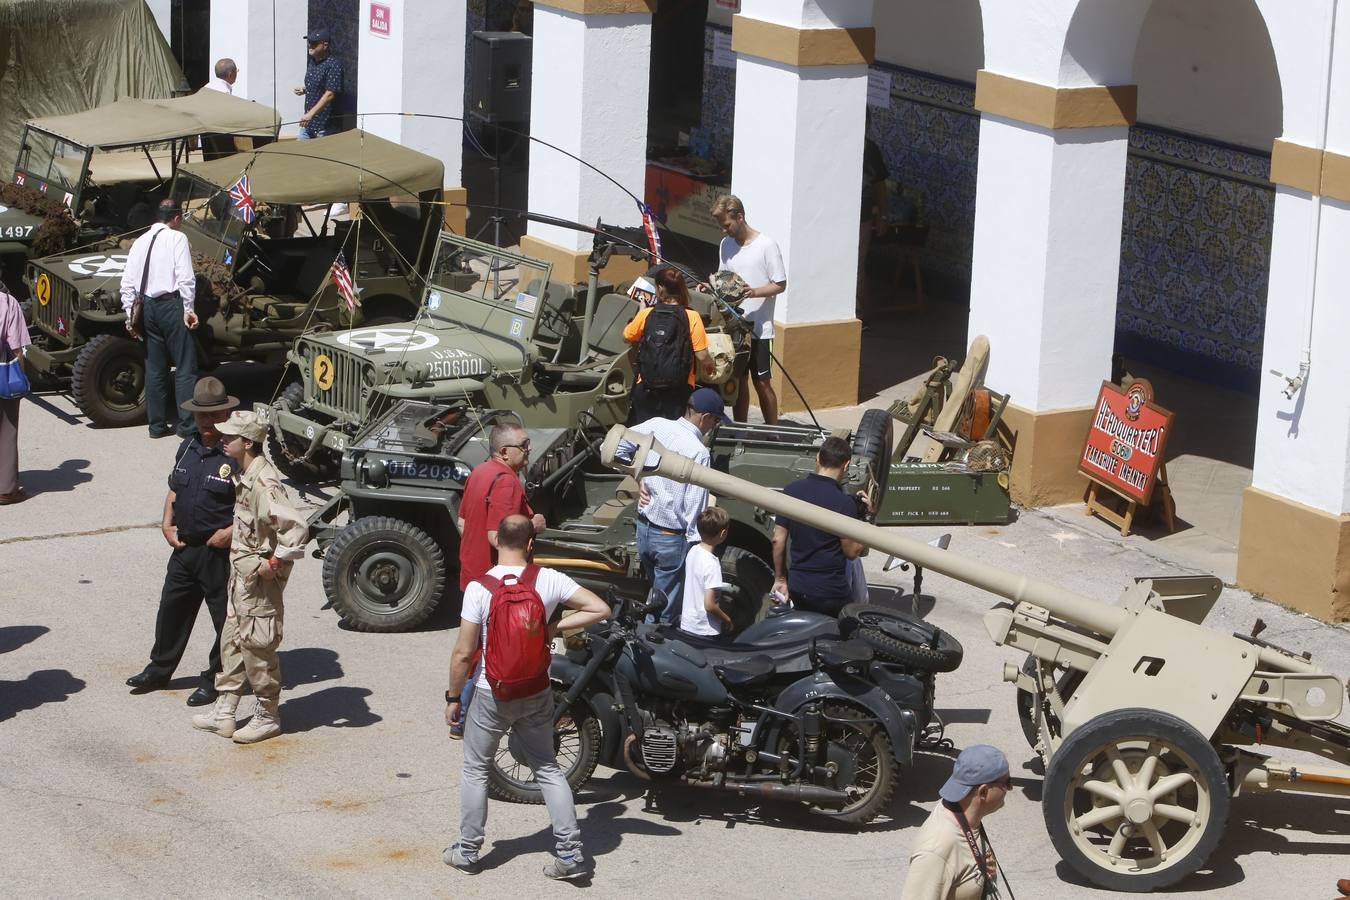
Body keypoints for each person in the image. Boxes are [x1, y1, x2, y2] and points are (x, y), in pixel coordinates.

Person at [443, 514, 610, 880]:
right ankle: (569, 854)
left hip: (491, 691)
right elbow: (600, 608)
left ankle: (467, 851)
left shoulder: (479, 588)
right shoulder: (548, 579)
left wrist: (454, 697)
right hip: (536, 690)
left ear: (496, 542)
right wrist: (554, 625)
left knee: (475, 770)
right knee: (549, 770)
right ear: (531, 544)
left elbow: (462, 653)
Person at [191, 411, 307, 744]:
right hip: (241, 580)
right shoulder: (246, 475)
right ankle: (225, 710)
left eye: (231, 436)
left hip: (258, 583)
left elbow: (295, 528)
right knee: (233, 642)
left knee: (258, 647)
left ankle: (268, 714)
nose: (223, 439)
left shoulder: (264, 482)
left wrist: (273, 564)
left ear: (249, 443)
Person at [125, 377, 239, 706]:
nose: (207, 421)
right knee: (171, 610)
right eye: (202, 415)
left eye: (215, 415)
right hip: (185, 547)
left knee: (226, 622)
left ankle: (217, 679)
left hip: (218, 554)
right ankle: (159, 670)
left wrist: (229, 533)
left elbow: (254, 508)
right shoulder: (187, 445)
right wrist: (166, 522)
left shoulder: (237, 452)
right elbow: (175, 487)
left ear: (227, 414)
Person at [629, 388, 725, 624]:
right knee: (664, 609)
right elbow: (694, 504)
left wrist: (638, 478)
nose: (714, 425)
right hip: (671, 538)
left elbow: (616, 446)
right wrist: (697, 546)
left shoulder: (657, 424)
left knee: (655, 593)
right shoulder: (699, 452)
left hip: (644, 529)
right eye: (716, 420)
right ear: (704, 418)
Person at [120, 198, 198, 439]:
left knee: (155, 368)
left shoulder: (140, 241)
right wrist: (189, 308)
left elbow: (127, 282)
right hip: (171, 306)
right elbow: (185, 277)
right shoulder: (178, 238)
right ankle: (187, 425)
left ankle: (156, 425)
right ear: (175, 218)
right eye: (181, 218)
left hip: (147, 308)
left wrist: (129, 316)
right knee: (185, 367)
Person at [771, 436, 871, 616]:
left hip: (798, 586)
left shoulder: (791, 491)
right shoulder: (844, 503)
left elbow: (778, 540)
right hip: (831, 591)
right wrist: (866, 517)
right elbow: (852, 552)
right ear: (846, 465)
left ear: (818, 459)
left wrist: (780, 578)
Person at [710, 194, 786, 424]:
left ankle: (773, 431)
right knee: (739, 380)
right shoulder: (726, 245)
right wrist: (712, 286)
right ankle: (740, 428)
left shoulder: (767, 245)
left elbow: (780, 284)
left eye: (727, 225)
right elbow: (724, 279)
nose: (724, 231)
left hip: (761, 330)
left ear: (740, 217)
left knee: (762, 381)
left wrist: (753, 292)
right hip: (734, 328)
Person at [900, 745, 1011, 900]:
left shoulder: (962, 810)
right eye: (1007, 783)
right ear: (984, 792)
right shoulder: (936, 850)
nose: (1010, 788)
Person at [622, 266, 716, 423]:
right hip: (678, 390)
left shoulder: (646, 313)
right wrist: (710, 366)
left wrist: (641, 312)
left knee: (641, 435)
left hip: (646, 386)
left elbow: (627, 336)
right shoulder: (692, 316)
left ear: (660, 288)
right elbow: (702, 355)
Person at [680, 506, 733, 640]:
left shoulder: (693, 551)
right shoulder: (712, 564)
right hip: (705, 630)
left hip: (688, 623)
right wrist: (727, 619)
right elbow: (709, 605)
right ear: (723, 533)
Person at [0, 282, 30, 505]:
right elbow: (17, 346)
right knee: (7, 428)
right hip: (2, 370)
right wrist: (21, 375)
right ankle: (6, 489)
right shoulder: (8, 302)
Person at [858, 128, 890, 324]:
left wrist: (883, 216)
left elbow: (879, 185)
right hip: (834, 215)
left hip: (862, 216)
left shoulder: (870, 150)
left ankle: (858, 315)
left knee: (857, 266)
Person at [294, 28, 343, 140]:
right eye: (309, 43)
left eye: (314, 44)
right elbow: (320, 85)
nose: (310, 46)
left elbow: (330, 94)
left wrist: (310, 114)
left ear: (325, 45)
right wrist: (306, 90)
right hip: (308, 124)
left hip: (325, 127)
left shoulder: (333, 65)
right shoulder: (313, 61)